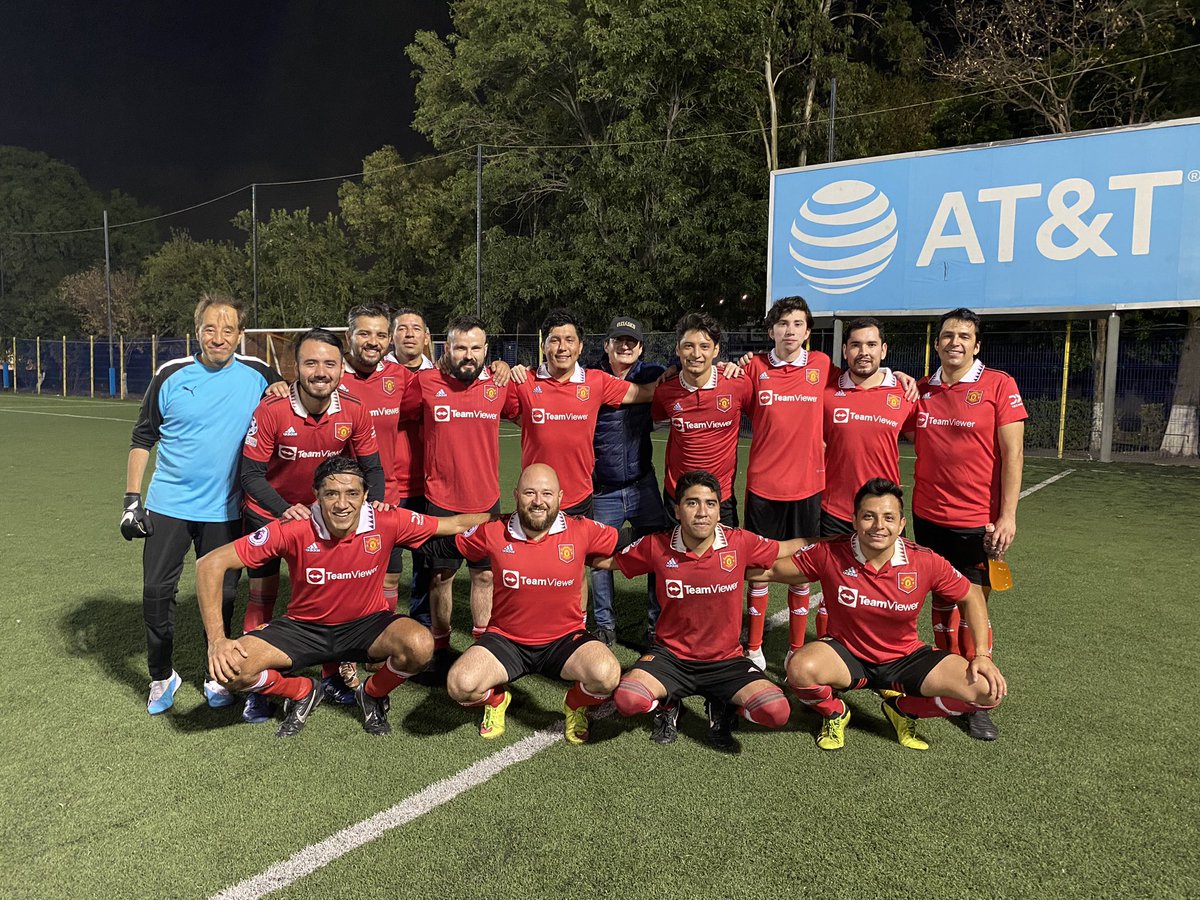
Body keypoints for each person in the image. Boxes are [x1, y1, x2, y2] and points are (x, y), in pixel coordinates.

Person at [196, 457, 488, 738]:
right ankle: (302, 691)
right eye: (331, 493)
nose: (342, 503)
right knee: (229, 671)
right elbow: (210, 563)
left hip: (367, 625)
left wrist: (516, 518)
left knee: (421, 645)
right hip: (304, 629)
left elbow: (456, 525)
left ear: (365, 495)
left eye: (352, 493)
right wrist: (217, 641)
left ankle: (372, 694)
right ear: (316, 495)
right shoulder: (295, 526)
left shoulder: (387, 519)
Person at [750, 478, 1008, 751]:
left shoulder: (924, 560)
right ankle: (835, 712)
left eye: (888, 517)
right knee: (800, 669)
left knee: (987, 691)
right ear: (854, 520)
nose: (878, 526)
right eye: (868, 517)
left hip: (905, 657)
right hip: (847, 655)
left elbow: (971, 595)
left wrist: (981, 654)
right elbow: (770, 570)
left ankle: (903, 708)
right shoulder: (831, 553)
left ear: (901, 524)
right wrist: (714, 563)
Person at [123, 293, 281, 714]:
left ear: (241, 335)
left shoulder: (261, 374)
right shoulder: (171, 374)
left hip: (227, 510)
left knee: (224, 595)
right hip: (168, 506)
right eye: (210, 328)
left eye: (228, 329)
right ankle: (162, 675)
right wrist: (132, 500)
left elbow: (286, 415)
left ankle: (217, 673)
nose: (219, 337)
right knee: (156, 592)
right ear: (197, 332)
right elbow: (143, 439)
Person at [239, 328, 384, 722]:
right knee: (262, 595)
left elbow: (372, 468)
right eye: (311, 362)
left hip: (323, 517)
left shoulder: (354, 409)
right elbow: (251, 474)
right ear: (296, 367)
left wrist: (366, 513)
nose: (321, 371)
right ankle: (262, 684)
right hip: (271, 512)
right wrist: (287, 509)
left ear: (341, 368)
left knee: (329, 597)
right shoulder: (271, 410)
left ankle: (331, 675)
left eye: (329, 363)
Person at [599, 470, 795, 750]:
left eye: (710, 504)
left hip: (726, 660)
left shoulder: (739, 542)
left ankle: (724, 701)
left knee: (776, 712)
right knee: (628, 699)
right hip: (671, 657)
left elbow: (785, 548)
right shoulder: (657, 545)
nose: (702, 512)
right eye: (692, 503)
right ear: (677, 510)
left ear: (718, 510)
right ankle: (668, 704)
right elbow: (610, 562)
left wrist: (838, 545)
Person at [438, 464, 622, 744]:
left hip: (564, 640)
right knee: (460, 686)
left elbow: (630, 543)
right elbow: (444, 546)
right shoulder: (494, 531)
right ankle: (497, 699)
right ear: (516, 495)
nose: (538, 501)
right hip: (506, 641)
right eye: (530, 493)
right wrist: (392, 529)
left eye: (546, 493)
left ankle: (575, 703)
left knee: (607, 675)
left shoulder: (581, 530)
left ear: (560, 497)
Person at [908, 307, 1026, 741]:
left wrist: (1007, 516)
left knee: (973, 606)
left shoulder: (999, 385)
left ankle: (978, 697)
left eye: (963, 336)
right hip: (928, 515)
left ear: (977, 345)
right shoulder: (923, 388)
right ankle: (950, 677)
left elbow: (1013, 455)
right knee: (940, 602)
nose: (954, 342)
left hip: (977, 522)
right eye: (946, 335)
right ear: (936, 343)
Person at [398, 315, 513, 683]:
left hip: (485, 503)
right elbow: (394, 417)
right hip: (441, 501)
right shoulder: (426, 383)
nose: (468, 355)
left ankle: (483, 645)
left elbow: (527, 409)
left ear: (486, 351)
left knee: (483, 577)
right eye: (460, 347)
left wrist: (513, 369)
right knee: (441, 577)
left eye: (475, 348)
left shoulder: (499, 385)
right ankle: (441, 648)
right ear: (447, 349)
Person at [589, 316, 668, 647]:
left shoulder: (651, 374)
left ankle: (655, 623)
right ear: (606, 345)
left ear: (640, 348)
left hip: (641, 482)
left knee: (660, 550)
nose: (625, 345)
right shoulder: (590, 378)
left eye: (631, 341)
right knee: (598, 558)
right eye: (618, 340)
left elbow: (683, 368)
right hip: (602, 488)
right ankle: (605, 624)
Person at [651, 312, 752, 528]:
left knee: (724, 560)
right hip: (677, 496)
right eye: (688, 346)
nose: (696, 354)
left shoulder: (737, 383)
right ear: (678, 349)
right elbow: (657, 416)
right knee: (674, 559)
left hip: (720, 497)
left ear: (716, 350)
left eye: (705, 346)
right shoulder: (665, 390)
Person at [385, 307, 435, 626]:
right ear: (393, 336)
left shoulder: (440, 376)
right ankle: (380, 630)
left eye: (416, 328)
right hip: (386, 487)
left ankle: (423, 628)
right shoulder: (377, 374)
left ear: (426, 336)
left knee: (426, 566)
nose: (409, 333)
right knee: (387, 569)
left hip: (429, 487)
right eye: (402, 328)